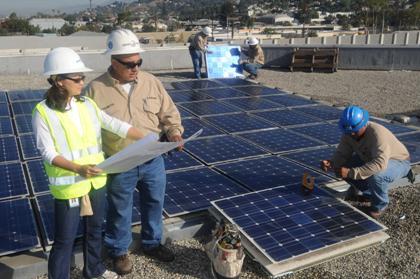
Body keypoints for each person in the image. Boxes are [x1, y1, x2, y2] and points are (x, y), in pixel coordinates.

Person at [33, 47, 145, 279]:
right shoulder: (43, 112)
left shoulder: (87, 104)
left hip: (95, 180)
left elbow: (114, 124)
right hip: (70, 185)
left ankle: (93, 270)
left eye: (82, 77)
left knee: (95, 230)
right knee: (65, 240)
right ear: (58, 81)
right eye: (77, 78)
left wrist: (148, 138)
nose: (83, 81)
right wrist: (78, 168)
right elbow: (47, 152)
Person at [84, 29, 184, 275]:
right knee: (120, 209)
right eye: (129, 64)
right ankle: (119, 252)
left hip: (152, 159)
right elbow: (87, 130)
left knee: (154, 202)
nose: (135, 68)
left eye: (139, 62)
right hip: (120, 163)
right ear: (113, 61)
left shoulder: (151, 82)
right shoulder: (95, 90)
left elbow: (169, 113)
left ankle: (152, 243)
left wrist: (174, 133)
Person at [320, 105, 411, 219]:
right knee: (341, 167)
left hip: (398, 161)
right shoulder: (349, 132)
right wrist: (332, 163)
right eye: (349, 131)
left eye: (355, 131)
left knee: (377, 176)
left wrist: (350, 173)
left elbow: (379, 164)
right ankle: (368, 194)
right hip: (370, 158)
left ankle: (380, 206)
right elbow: (342, 153)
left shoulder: (377, 134)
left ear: (363, 123)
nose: (352, 134)